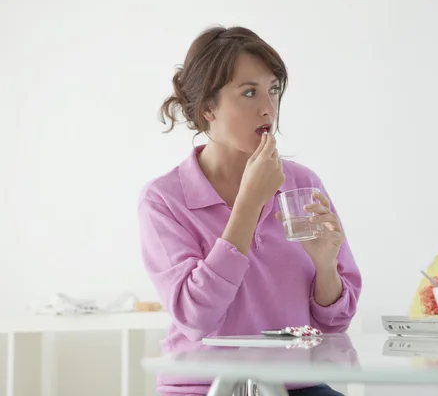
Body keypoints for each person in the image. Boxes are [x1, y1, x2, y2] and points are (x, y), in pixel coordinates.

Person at [137, 25, 362, 396]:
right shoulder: (164, 200)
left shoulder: (302, 184)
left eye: (273, 90)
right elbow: (196, 317)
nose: (268, 107)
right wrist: (248, 204)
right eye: (249, 92)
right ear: (208, 107)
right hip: (202, 387)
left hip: (297, 385)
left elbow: (335, 324)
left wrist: (325, 267)